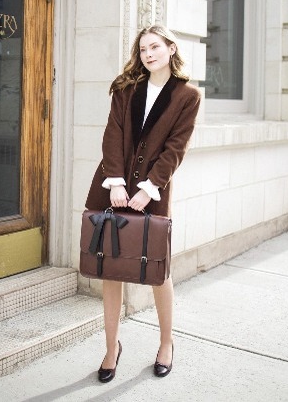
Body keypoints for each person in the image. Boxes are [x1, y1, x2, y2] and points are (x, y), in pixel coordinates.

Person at [84, 24, 201, 383]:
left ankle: (167, 343)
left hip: (153, 192)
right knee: (109, 268)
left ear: (170, 48)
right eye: (143, 49)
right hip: (112, 187)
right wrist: (117, 182)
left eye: (155, 46)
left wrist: (149, 188)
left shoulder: (187, 95)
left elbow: (175, 148)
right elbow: (113, 134)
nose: (148, 54)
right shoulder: (126, 89)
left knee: (157, 271)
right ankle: (111, 348)